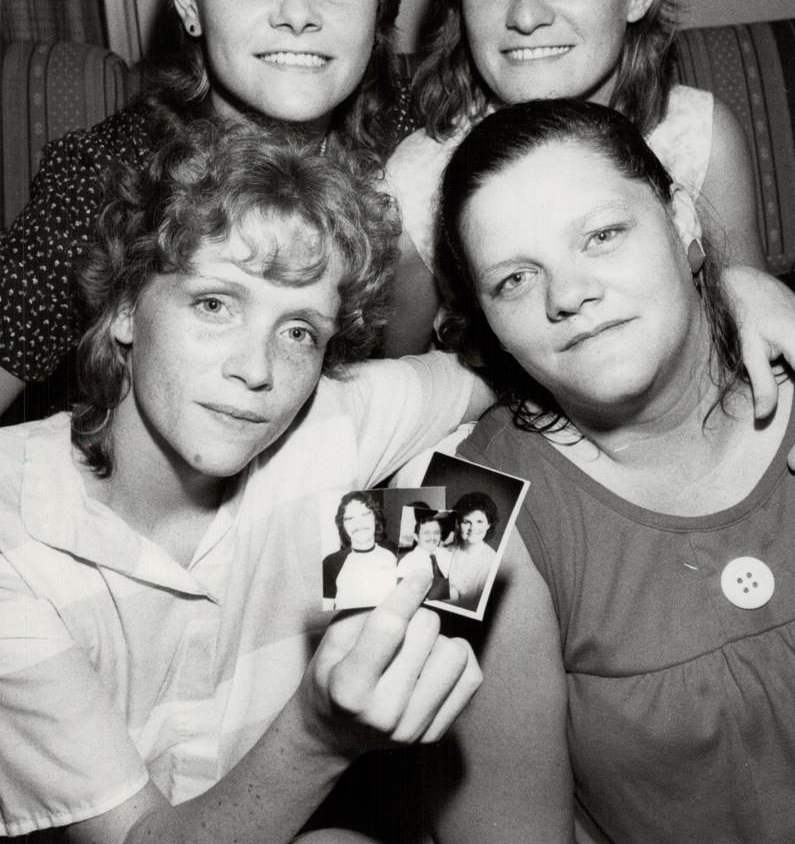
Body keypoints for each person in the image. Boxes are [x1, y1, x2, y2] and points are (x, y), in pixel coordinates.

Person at [0, 116, 494, 843]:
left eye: (299, 332)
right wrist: (321, 735)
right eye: (214, 304)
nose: (256, 370)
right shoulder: (15, 535)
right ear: (129, 307)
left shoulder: (332, 420)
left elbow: (500, 370)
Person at [426, 98, 795, 843]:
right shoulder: (455, 510)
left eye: (601, 235)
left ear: (683, 222)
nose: (567, 296)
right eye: (513, 281)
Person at [383, 0, 795, 472]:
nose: (524, 13)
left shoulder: (697, 135)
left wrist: (747, 285)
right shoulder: (418, 180)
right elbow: (388, 400)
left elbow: (740, 339)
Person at [0, 0, 410, 416]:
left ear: (379, 10)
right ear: (190, 2)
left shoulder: (416, 146)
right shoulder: (103, 180)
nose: (297, 13)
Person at [322, 492, 397, 610]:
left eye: (365, 515)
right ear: (343, 525)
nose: (359, 524)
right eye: (350, 518)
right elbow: (324, 613)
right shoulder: (331, 563)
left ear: (375, 518)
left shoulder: (391, 552)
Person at [446, 492, 498, 610]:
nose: (473, 528)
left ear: (489, 524)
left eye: (479, 522)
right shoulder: (449, 549)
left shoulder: (492, 561)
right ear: (458, 524)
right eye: (466, 522)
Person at [397, 509, 453, 602]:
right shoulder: (406, 563)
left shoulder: (448, 555)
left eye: (436, 533)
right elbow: (402, 598)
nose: (432, 537)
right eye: (427, 533)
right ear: (416, 537)